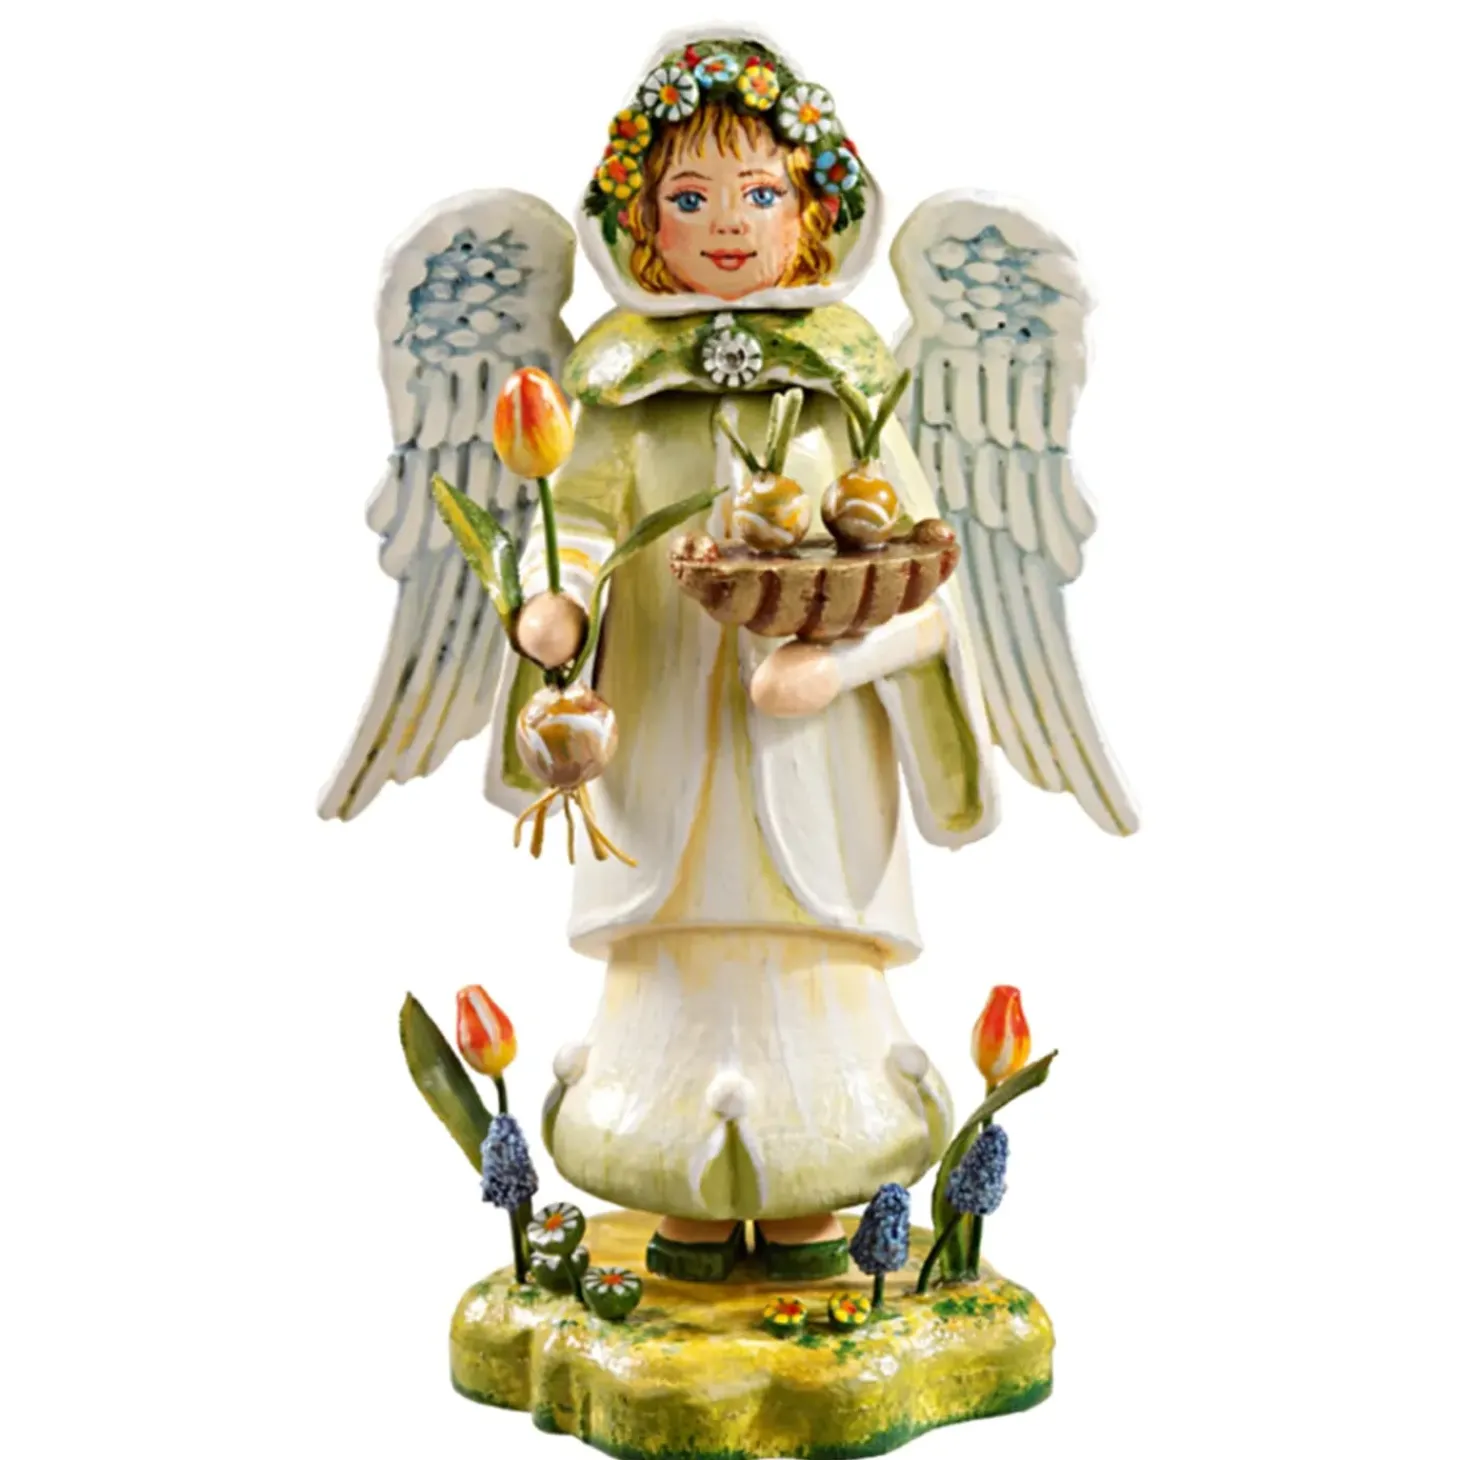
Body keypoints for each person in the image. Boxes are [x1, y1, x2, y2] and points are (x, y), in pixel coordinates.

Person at [486, 31, 997, 1282]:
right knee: (675, 957)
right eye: (689, 196)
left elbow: (927, 590)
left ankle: (816, 1188)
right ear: (637, 218)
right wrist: (555, 600)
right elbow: (578, 521)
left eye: (760, 194)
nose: (725, 225)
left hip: (816, 765)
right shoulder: (616, 393)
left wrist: (840, 668)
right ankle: (684, 1195)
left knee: (805, 969)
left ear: (814, 213)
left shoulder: (845, 397)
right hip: (661, 755)